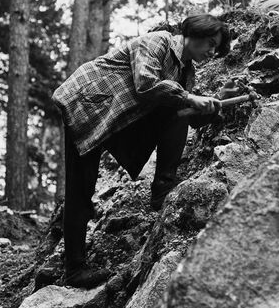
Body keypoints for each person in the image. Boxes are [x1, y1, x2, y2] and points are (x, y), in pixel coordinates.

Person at [52, 14, 239, 288]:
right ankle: (74, 268)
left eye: (215, 48)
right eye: (210, 44)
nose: (212, 52)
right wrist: (189, 98)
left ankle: (163, 190)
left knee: (176, 111)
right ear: (193, 33)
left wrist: (217, 105)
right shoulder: (158, 41)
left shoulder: (186, 71)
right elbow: (146, 83)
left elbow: (184, 114)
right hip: (88, 104)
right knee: (81, 188)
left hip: (118, 117)